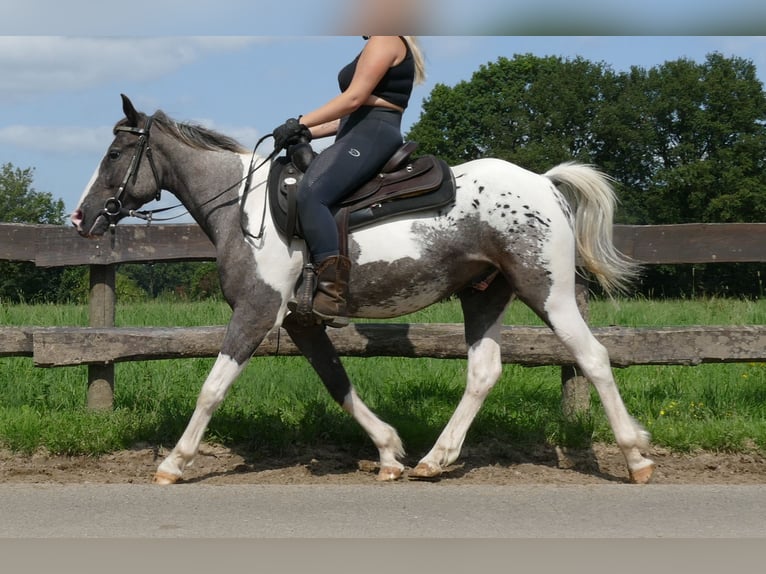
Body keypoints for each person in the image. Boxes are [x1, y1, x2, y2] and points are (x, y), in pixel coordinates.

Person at [272, 36, 426, 327]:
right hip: (359, 130)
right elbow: (351, 113)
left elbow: (353, 99)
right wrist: (304, 133)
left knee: (312, 193)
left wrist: (300, 121)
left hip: (373, 134)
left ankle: (332, 293)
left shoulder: (386, 39)